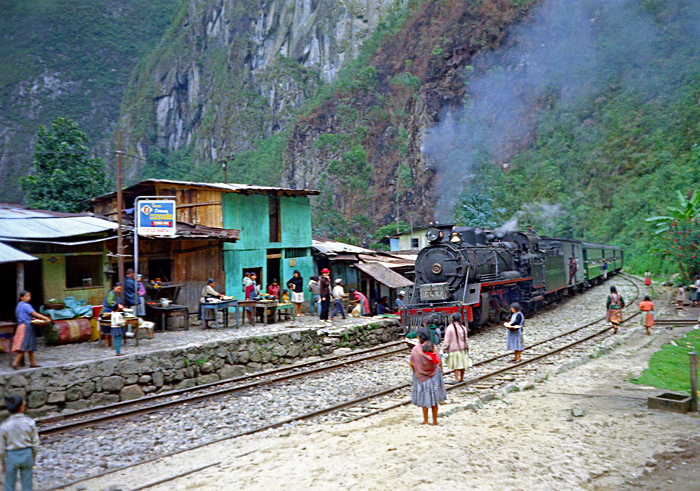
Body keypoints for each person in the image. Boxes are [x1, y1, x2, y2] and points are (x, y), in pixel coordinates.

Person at [0, 395, 39, 491]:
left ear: (8, 410)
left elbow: (1, 447)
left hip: (11, 456)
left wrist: (3, 462)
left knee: (9, 485)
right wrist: (33, 455)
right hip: (27, 453)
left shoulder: (4, 426)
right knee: (27, 484)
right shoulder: (30, 422)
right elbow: (35, 442)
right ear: (22, 407)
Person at [409, 327, 446, 426]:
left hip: (421, 377)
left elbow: (411, 363)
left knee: (425, 399)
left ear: (420, 337)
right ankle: (435, 421)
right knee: (434, 400)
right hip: (434, 376)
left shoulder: (416, 349)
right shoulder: (434, 347)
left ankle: (425, 420)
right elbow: (439, 362)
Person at [12, 292, 50, 370]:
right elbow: (34, 313)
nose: (28, 297)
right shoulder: (26, 305)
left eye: (29, 296)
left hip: (22, 325)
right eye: (26, 296)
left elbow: (24, 315)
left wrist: (30, 318)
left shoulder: (19, 305)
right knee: (24, 345)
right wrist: (45, 318)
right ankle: (15, 363)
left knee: (31, 344)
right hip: (26, 326)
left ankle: (32, 362)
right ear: (21, 297)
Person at [442, 313, 471, 383]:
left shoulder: (449, 328)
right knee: (462, 364)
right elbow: (465, 340)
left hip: (453, 349)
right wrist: (467, 348)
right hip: (462, 348)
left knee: (456, 365)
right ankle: (461, 378)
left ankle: (456, 379)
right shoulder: (463, 328)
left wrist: (444, 349)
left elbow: (447, 340)